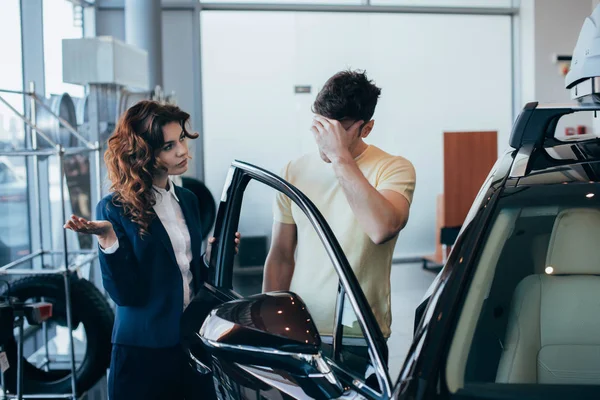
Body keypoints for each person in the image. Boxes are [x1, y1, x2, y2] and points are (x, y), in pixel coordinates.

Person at [64, 100, 238, 399]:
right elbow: (125, 295)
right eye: (169, 146)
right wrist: (109, 241)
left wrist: (214, 255)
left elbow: (190, 274)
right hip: (143, 350)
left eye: (182, 138)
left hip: (191, 344)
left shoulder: (188, 199)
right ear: (145, 153)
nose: (183, 150)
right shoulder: (114, 207)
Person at [263, 70, 416, 341]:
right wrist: (270, 325)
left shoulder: (393, 168)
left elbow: (382, 229)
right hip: (300, 325)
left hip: (358, 329)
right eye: (321, 125)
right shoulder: (294, 171)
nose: (324, 138)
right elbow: (281, 255)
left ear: (366, 128)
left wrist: (339, 156)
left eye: (337, 130)